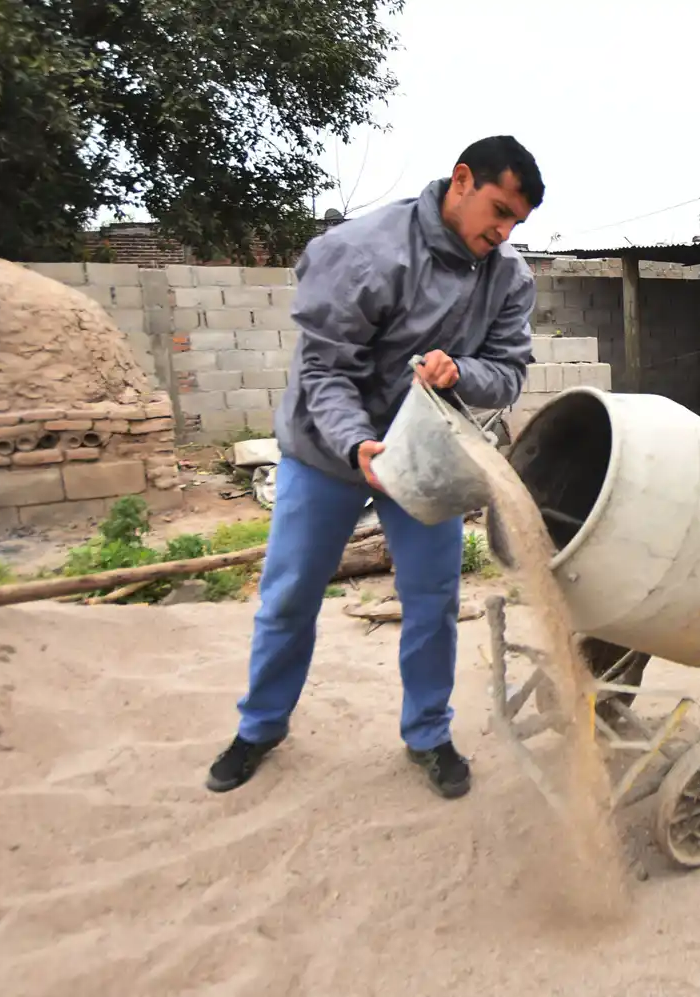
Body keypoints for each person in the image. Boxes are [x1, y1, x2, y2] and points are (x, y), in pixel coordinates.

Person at [205, 136, 544, 799]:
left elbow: (507, 375)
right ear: (462, 180)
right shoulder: (363, 250)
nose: (502, 233)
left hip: (423, 457)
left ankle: (427, 732)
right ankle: (261, 726)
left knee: (433, 600)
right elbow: (324, 369)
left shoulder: (508, 277)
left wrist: (461, 371)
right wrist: (358, 445)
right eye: (498, 211)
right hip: (326, 452)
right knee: (291, 596)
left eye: (516, 224)